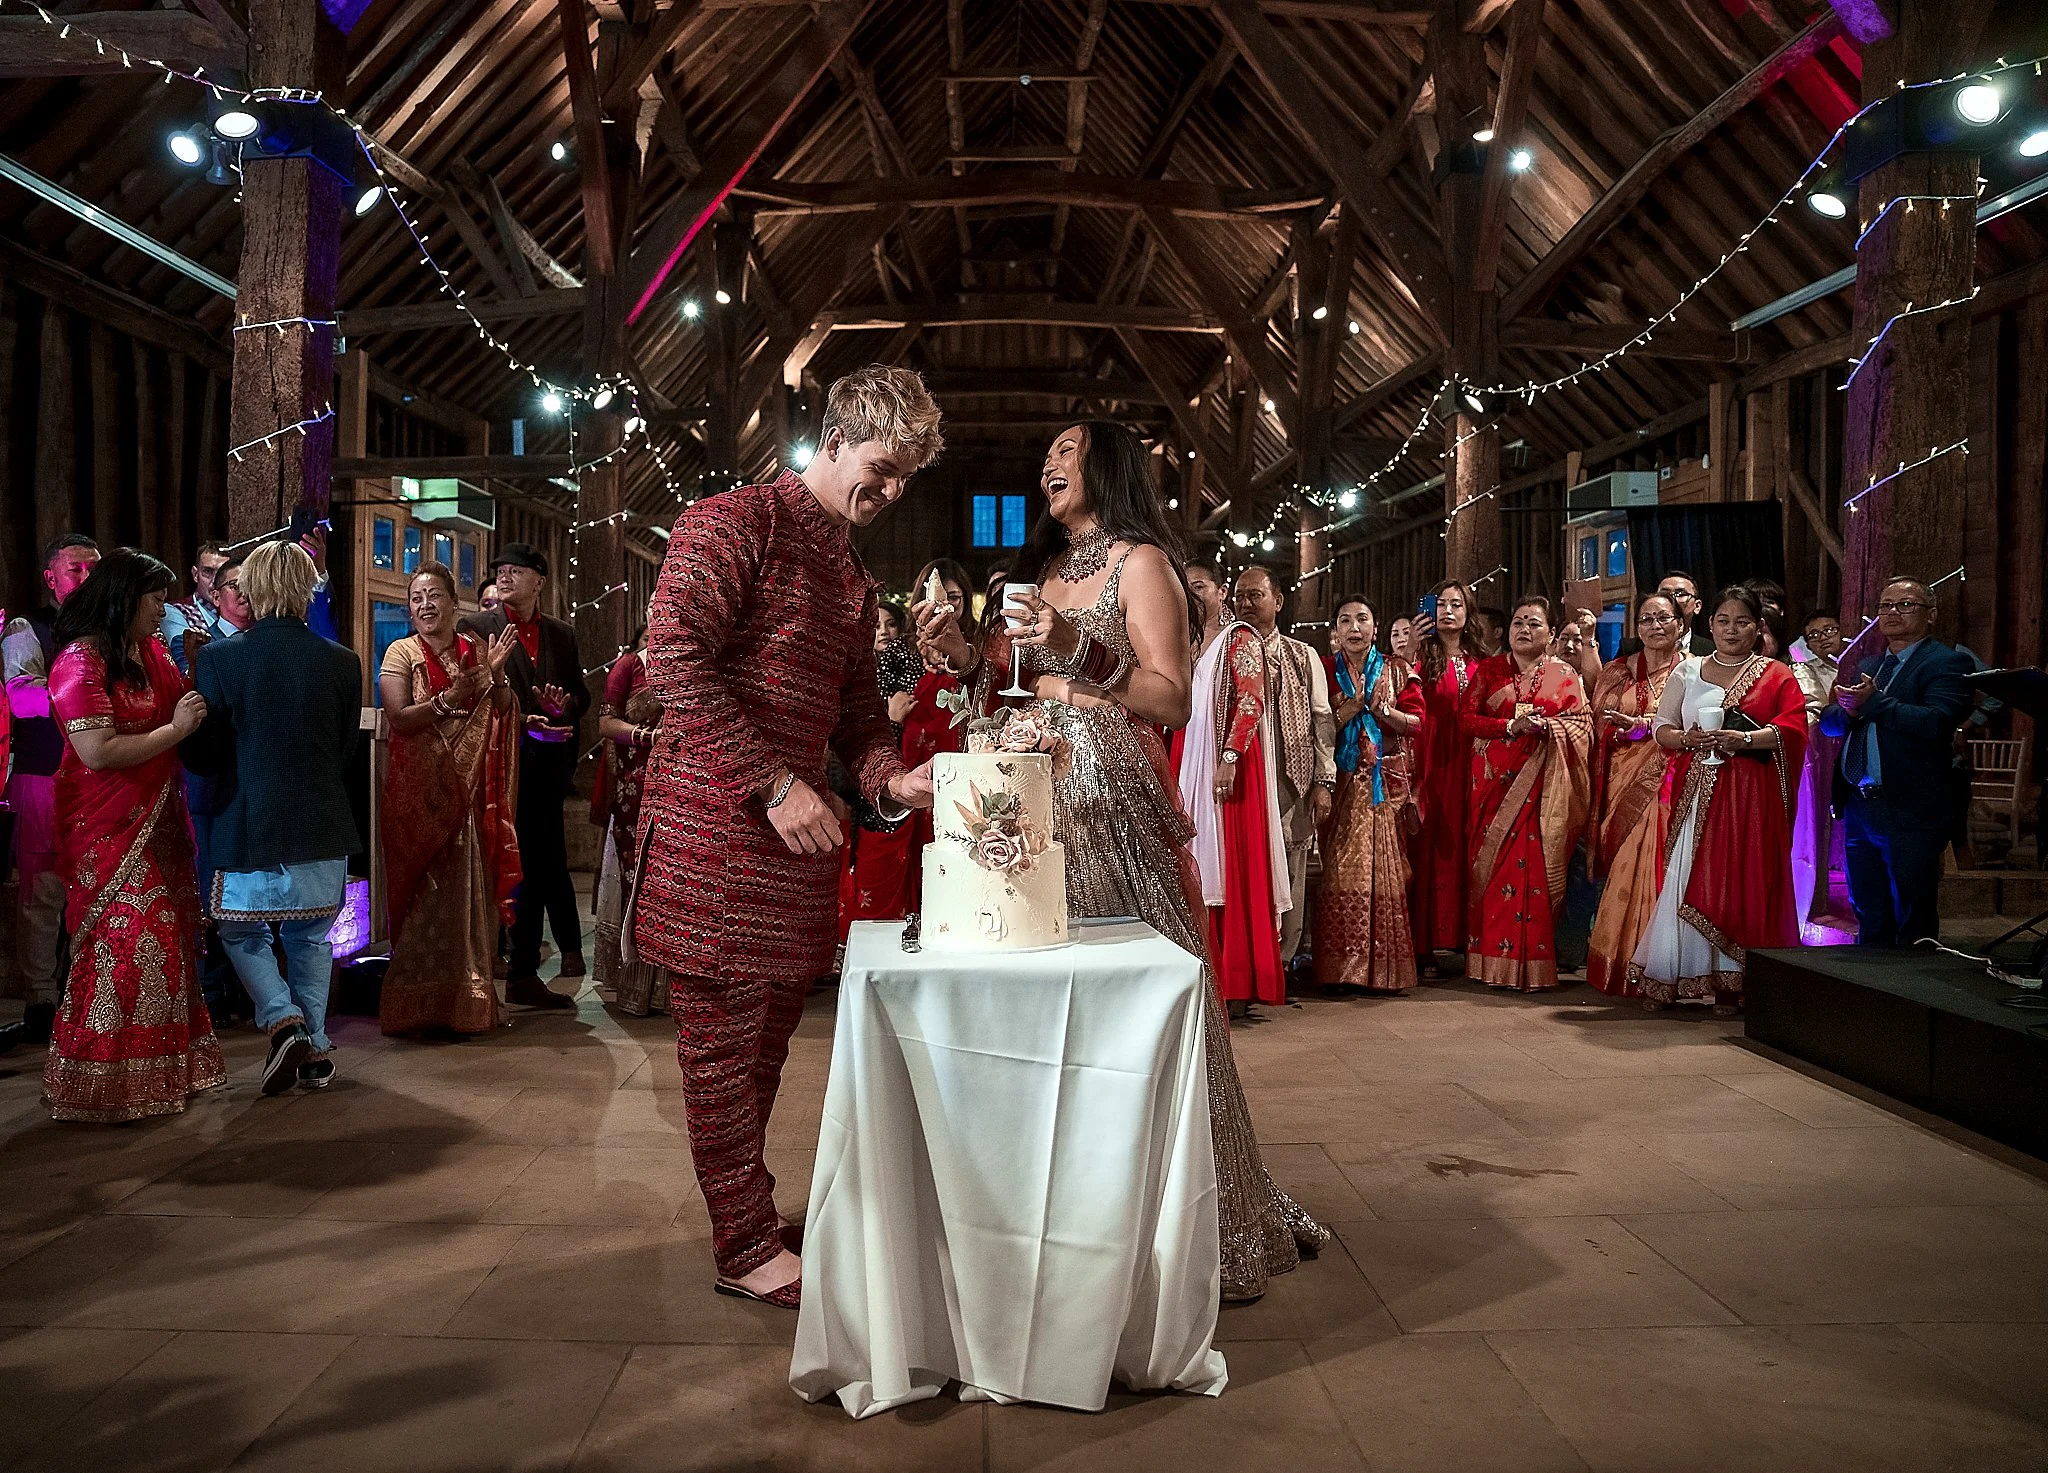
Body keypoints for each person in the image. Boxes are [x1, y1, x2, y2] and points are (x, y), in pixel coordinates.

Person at [917, 418, 1327, 1304]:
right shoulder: (1039, 573)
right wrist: (959, 653)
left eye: (1064, 451)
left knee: (1130, 1009)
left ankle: (1176, 1218)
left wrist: (1079, 651)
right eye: (1046, 453)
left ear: (1105, 464)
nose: (1046, 462)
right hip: (1028, 803)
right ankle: (1055, 1214)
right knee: (1040, 1010)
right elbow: (1007, 686)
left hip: (1109, 800)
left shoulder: (1142, 563)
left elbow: (1172, 697)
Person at [632, 364, 942, 1310]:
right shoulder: (734, 522)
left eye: (903, 484)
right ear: (836, 435)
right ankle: (742, 1244)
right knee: (721, 1053)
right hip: (714, 837)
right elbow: (672, 657)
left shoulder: (849, 572)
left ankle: (752, 1217)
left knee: (763, 1051)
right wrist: (771, 782)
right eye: (882, 469)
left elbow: (857, 719)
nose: (887, 495)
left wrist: (898, 780)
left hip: (794, 851)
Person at [39, 549, 224, 1121]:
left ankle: (157, 1073)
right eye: (155, 598)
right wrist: (174, 729)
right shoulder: (79, 662)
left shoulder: (147, 653)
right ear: (126, 599)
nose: (163, 609)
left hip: (159, 819)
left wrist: (194, 668)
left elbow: (184, 711)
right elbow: (97, 751)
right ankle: (99, 1081)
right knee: (127, 942)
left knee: (168, 943)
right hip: (106, 826)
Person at [184, 540, 361, 1091]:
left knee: (241, 935)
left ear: (254, 589)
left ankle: (282, 1020)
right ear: (306, 589)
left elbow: (205, 756)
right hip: (321, 820)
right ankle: (310, 1044)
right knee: (311, 939)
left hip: (249, 819)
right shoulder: (343, 662)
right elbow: (344, 751)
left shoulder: (219, 659)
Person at [1630, 587, 1806, 1012]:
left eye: (1742, 621)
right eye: (1723, 621)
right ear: (1709, 625)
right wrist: (1688, 739)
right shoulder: (1688, 672)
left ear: (1757, 627)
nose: (1732, 629)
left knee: (1746, 876)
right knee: (1689, 874)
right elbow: (1663, 727)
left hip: (1751, 798)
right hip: (1699, 789)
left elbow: (1794, 729)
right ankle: (1674, 976)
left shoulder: (1776, 674)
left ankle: (1737, 982)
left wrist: (1744, 739)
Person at [377, 563, 522, 1037]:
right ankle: (416, 1006)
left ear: (452, 601)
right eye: (416, 598)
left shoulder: (473, 649)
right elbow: (399, 718)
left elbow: (500, 708)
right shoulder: (401, 653)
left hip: (467, 796)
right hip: (417, 797)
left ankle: (467, 1000)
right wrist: (446, 700)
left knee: (466, 895)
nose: (425, 606)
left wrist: (494, 676)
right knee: (423, 897)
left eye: (433, 595)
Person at [462, 542, 590, 1005]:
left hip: (544, 770)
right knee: (494, 865)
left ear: (539, 580)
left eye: (516, 570)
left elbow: (581, 695)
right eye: (500, 570)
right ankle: (480, 966)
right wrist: (518, 721)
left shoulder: (561, 634)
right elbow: (468, 696)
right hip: (496, 766)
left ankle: (522, 971)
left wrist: (564, 707)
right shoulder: (476, 627)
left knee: (536, 867)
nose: (505, 577)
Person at [1822, 577, 1974, 947]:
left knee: (1912, 909)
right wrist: (1843, 712)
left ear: (1931, 614)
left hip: (1911, 805)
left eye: (1905, 605)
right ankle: (1871, 989)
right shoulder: (1871, 663)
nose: (1892, 612)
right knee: (1868, 908)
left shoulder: (1947, 662)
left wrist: (1872, 704)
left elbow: (1936, 721)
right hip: (1861, 802)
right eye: (1885, 606)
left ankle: (1913, 992)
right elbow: (1829, 725)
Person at [838, 558, 977, 940]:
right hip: (897, 778)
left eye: (954, 597)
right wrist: (890, 713)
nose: (946, 606)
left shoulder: (975, 653)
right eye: (938, 598)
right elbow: (861, 720)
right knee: (882, 873)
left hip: (956, 784)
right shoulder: (899, 653)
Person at [1458, 597, 1592, 991]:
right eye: (1518, 622)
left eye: (1534, 624)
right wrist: (1508, 728)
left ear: (1550, 634)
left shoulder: (1564, 674)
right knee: (1493, 866)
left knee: (1533, 869)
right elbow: (1466, 720)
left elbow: (1581, 725)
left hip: (1544, 787)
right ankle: (1490, 963)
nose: (1523, 629)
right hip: (1493, 786)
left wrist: (1549, 729)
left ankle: (1532, 965)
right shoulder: (1490, 669)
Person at [0, 534, 100, 1056]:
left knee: (92, 887)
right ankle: (41, 999)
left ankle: (84, 995)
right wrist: (92, 698)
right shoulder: (26, 629)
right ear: (51, 578)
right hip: (42, 775)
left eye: (92, 570)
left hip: (98, 776)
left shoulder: (107, 629)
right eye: (75, 570)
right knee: (41, 894)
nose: (85, 579)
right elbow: (22, 698)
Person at [1174, 559, 1288, 1012]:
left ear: (1220, 592)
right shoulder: (1183, 643)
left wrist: (1230, 756)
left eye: (1200, 585)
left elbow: (1250, 697)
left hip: (1228, 767)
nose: (1193, 594)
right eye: (1185, 588)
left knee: (1233, 863)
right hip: (1187, 761)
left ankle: (1237, 982)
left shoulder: (1238, 638)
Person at [1315, 595, 1422, 994]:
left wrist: (1384, 714)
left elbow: (1417, 722)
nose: (1355, 628)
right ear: (1336, 632)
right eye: (1346, 621)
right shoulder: (1325, 671)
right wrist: (1352, 708)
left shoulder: (1396, 670)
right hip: (1339, 784)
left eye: (1362, 619)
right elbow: (1317, 724)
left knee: (1386, 875)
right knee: (1338, 872)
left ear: (1376, 629)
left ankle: (1383, 971)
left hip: (1383, 790)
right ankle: (1339, 970)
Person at [1233, 566, 1335, 981]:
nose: (1246, 604)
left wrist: (1323, 781)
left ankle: (1282, 962)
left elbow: (1322, 721)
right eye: (1239, 596)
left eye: (1255, 595)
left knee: (1292, 870)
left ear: (1278, 601)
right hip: (1243, 777)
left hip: (1290, 778)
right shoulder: (1225, 653)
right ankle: (1249, 958)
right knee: (1248, 866)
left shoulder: (1301, 655)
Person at [1583, 593, 1685, 996]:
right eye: (1646, 618)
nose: (1655, 625)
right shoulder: (1616, 672)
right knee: (1625, 866)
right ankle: (1620, 963)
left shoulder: (1695, 672)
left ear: (1681, 624)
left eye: (1664, 617)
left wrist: (1647, 727)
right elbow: (1597, 721)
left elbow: (1694, 722)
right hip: (1621, 780)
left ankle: (1661, 967)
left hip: (1670, 782)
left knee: (1661, 868)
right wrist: (1621, 729)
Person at [175, 551, 255, 1025]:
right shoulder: (197, 648)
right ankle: (209, 986)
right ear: (216, 595)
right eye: (232, 587)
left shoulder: (265, 643)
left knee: (250, 889)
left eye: (250, 587)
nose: (242, 595)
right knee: (210, 887)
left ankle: (246, 986)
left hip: (255, 786)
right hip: (211, 787)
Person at [593, 611, 668, 1017]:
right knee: (634, 877)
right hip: (634, 791)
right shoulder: (629, 665)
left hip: (679, 786)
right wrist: (646, 736)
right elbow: (605, 722)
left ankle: (671, 991)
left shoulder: (692, 665)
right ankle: (636, 987)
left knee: (672, 880)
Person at [1409, 579, 1480, 974]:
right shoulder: (1421, 656)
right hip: (1432, 763)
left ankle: (1467, 938)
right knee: (1429, 850)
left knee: (1470, 848)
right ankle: (1423, 946)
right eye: (1441, 604)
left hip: (1473, 766)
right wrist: (1407, 651)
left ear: (1469, 612)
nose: (1448, 611)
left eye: (1457, 603)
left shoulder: (1481, 660)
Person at [158, 541, 235, 675]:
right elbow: (184, 660)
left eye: (222, 573)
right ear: (195, 574)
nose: (214, 581)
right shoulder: (175, 611)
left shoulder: (241, 610)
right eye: (207, 571)